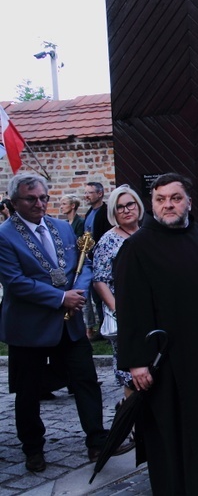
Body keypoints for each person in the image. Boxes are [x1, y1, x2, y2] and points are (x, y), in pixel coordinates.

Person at [114, 173, 198, 495]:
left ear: (188, 200)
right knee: (180, 425)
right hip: (171, 359)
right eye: (161, 200)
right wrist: (137, 362)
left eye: (175, 198)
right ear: (152, 204)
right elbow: (130, 309)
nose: (168, 205)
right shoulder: (137, 248)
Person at [0, 174, 115, 472]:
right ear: (14, 202)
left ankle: (97, 442)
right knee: (28, 391)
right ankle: (33, 448)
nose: (40, 204)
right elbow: (15, 282)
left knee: (86, 381)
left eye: (44, 198)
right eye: (31, 199)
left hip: (71, 323)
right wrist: (60, 298)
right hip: (30, 325)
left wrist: (78, 292)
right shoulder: (4, 235)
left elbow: (84, 263)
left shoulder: (61, 226)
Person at [93, 185, 143, 430]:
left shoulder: (146, 233)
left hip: (149, 310)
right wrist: (118, 309)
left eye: (130, 204)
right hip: (123, 312)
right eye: (120, 207)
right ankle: (130, 427)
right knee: (130, 370)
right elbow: (99, 279)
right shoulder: (109, 239)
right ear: (113, 211)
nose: (126, 210)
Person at [83, 182, 113, 340]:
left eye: (90, 192)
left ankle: (109, 328)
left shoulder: (105, 212)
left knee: (105, 295)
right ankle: (102, 328)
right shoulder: (90, 212)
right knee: (96, 296)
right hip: (92, 261)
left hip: (103, 261)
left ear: (100, 194)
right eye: (86, 192)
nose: (86, 195)